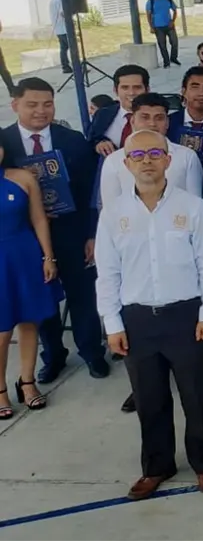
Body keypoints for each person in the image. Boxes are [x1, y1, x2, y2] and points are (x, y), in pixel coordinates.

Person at [94, 129, 203, 500]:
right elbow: (108, 273)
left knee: (195, 396)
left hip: (185, 316)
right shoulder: (114, 214)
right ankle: (157, 466)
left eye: (155, 152)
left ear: (169, 159)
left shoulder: (192, 207)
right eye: (138, 155)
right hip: (136, 320)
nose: (147, 160)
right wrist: (113, 323)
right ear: (126, 162)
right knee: (149, 399)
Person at [0, 78, 102, 385]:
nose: (41, 111)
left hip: (72, 232)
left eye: (48, 104)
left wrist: (91, 234)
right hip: (25, 239)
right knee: (41, 302)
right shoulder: (4, 143)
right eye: (32, 104)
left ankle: (91, 353)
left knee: (82, 294)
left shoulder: (72, 140)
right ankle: (53, 355)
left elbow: (89, 193)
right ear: (15, 104)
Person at [0, 140, 59, 418]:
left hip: (24, 254)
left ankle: (27, 382)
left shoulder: (22, 178)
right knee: (1, 331)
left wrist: (48, 257)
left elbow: (38, 219)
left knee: (29, 321)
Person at [100, 93, 203, 206]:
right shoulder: (114, 161)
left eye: (159, 118)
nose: (152, 124)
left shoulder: (187, 156)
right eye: (145, 117)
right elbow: (110, 209)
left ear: (167, 123)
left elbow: (195, 204)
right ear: (132, 121)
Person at [88, 65, 151, 156]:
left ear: (147, 90)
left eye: (137, 87)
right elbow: (92, 140)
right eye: (125, 87)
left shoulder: (157, 118)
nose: (131, 93)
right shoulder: (103, 114)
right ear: (115, 90)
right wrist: (99, 144)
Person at [145, 0, 179, 68]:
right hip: (158, 26)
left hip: (169, 25)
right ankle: (166, 62)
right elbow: (148, 15)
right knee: (162, 45)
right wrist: (151, 27)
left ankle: (173, 58)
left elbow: (175, 10)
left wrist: (172, 21)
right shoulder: (151, 2)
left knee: (174, 42)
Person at [48, 0, 72, 73]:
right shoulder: (60, 1)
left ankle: (65, 66)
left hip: (58, 28)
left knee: (63, 48)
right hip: (64, 28)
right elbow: (63, 13)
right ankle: (74, 65)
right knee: (72, 47)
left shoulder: (53, 1)